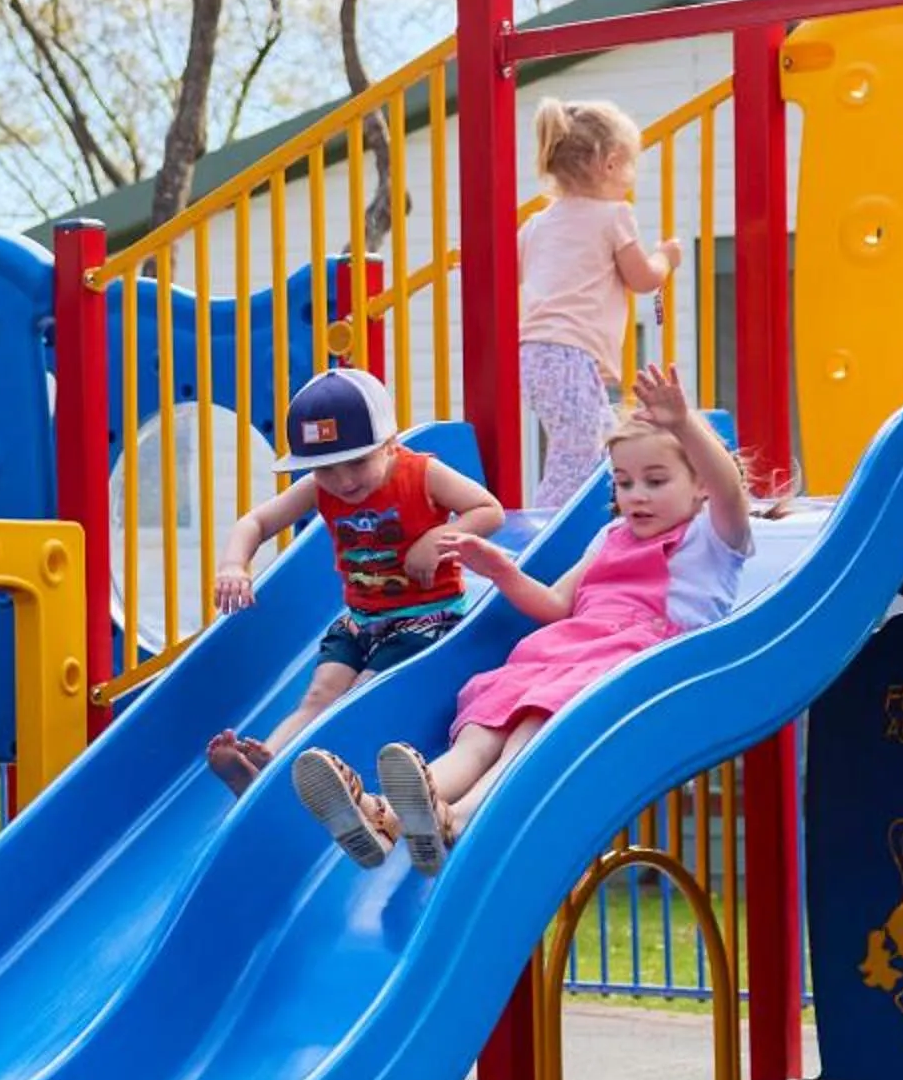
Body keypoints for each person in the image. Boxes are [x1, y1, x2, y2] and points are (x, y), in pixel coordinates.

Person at [291, 363, 753, 875]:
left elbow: (730, 488)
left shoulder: (712, 539)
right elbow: (556, 605)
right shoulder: (610, 538)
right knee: (483, 726)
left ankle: (462, 817)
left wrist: (684, 423)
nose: (635, 494)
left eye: (656, 480)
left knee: (530, 723)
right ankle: (387, 814)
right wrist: (500, 569)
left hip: (638, 664)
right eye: (623, 482)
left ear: (700, 487)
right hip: (566, 650)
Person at [199, 367, 504, 793]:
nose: (343, 481)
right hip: (360, 620)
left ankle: (332, 779)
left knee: (357, 693)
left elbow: (488, 510)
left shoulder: (422, 475)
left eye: (357, 462)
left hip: (425, 618)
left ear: (389, 444)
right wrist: (233, 565)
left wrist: (437, 537)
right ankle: (262, 765)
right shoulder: (319, 488)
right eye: (326, 469)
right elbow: (256, 521)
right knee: (319, 695)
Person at [520, 98, 686, 507]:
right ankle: (547, 525)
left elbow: (514, 271)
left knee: (598, 441)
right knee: (580, 452)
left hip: (536, 353)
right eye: (630, 165)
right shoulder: (614, 215)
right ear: (611, 164)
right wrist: (667, 257)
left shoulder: (538, 223)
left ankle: (593, 517)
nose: (631, 177)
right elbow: (643, 278)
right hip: (567, 354)